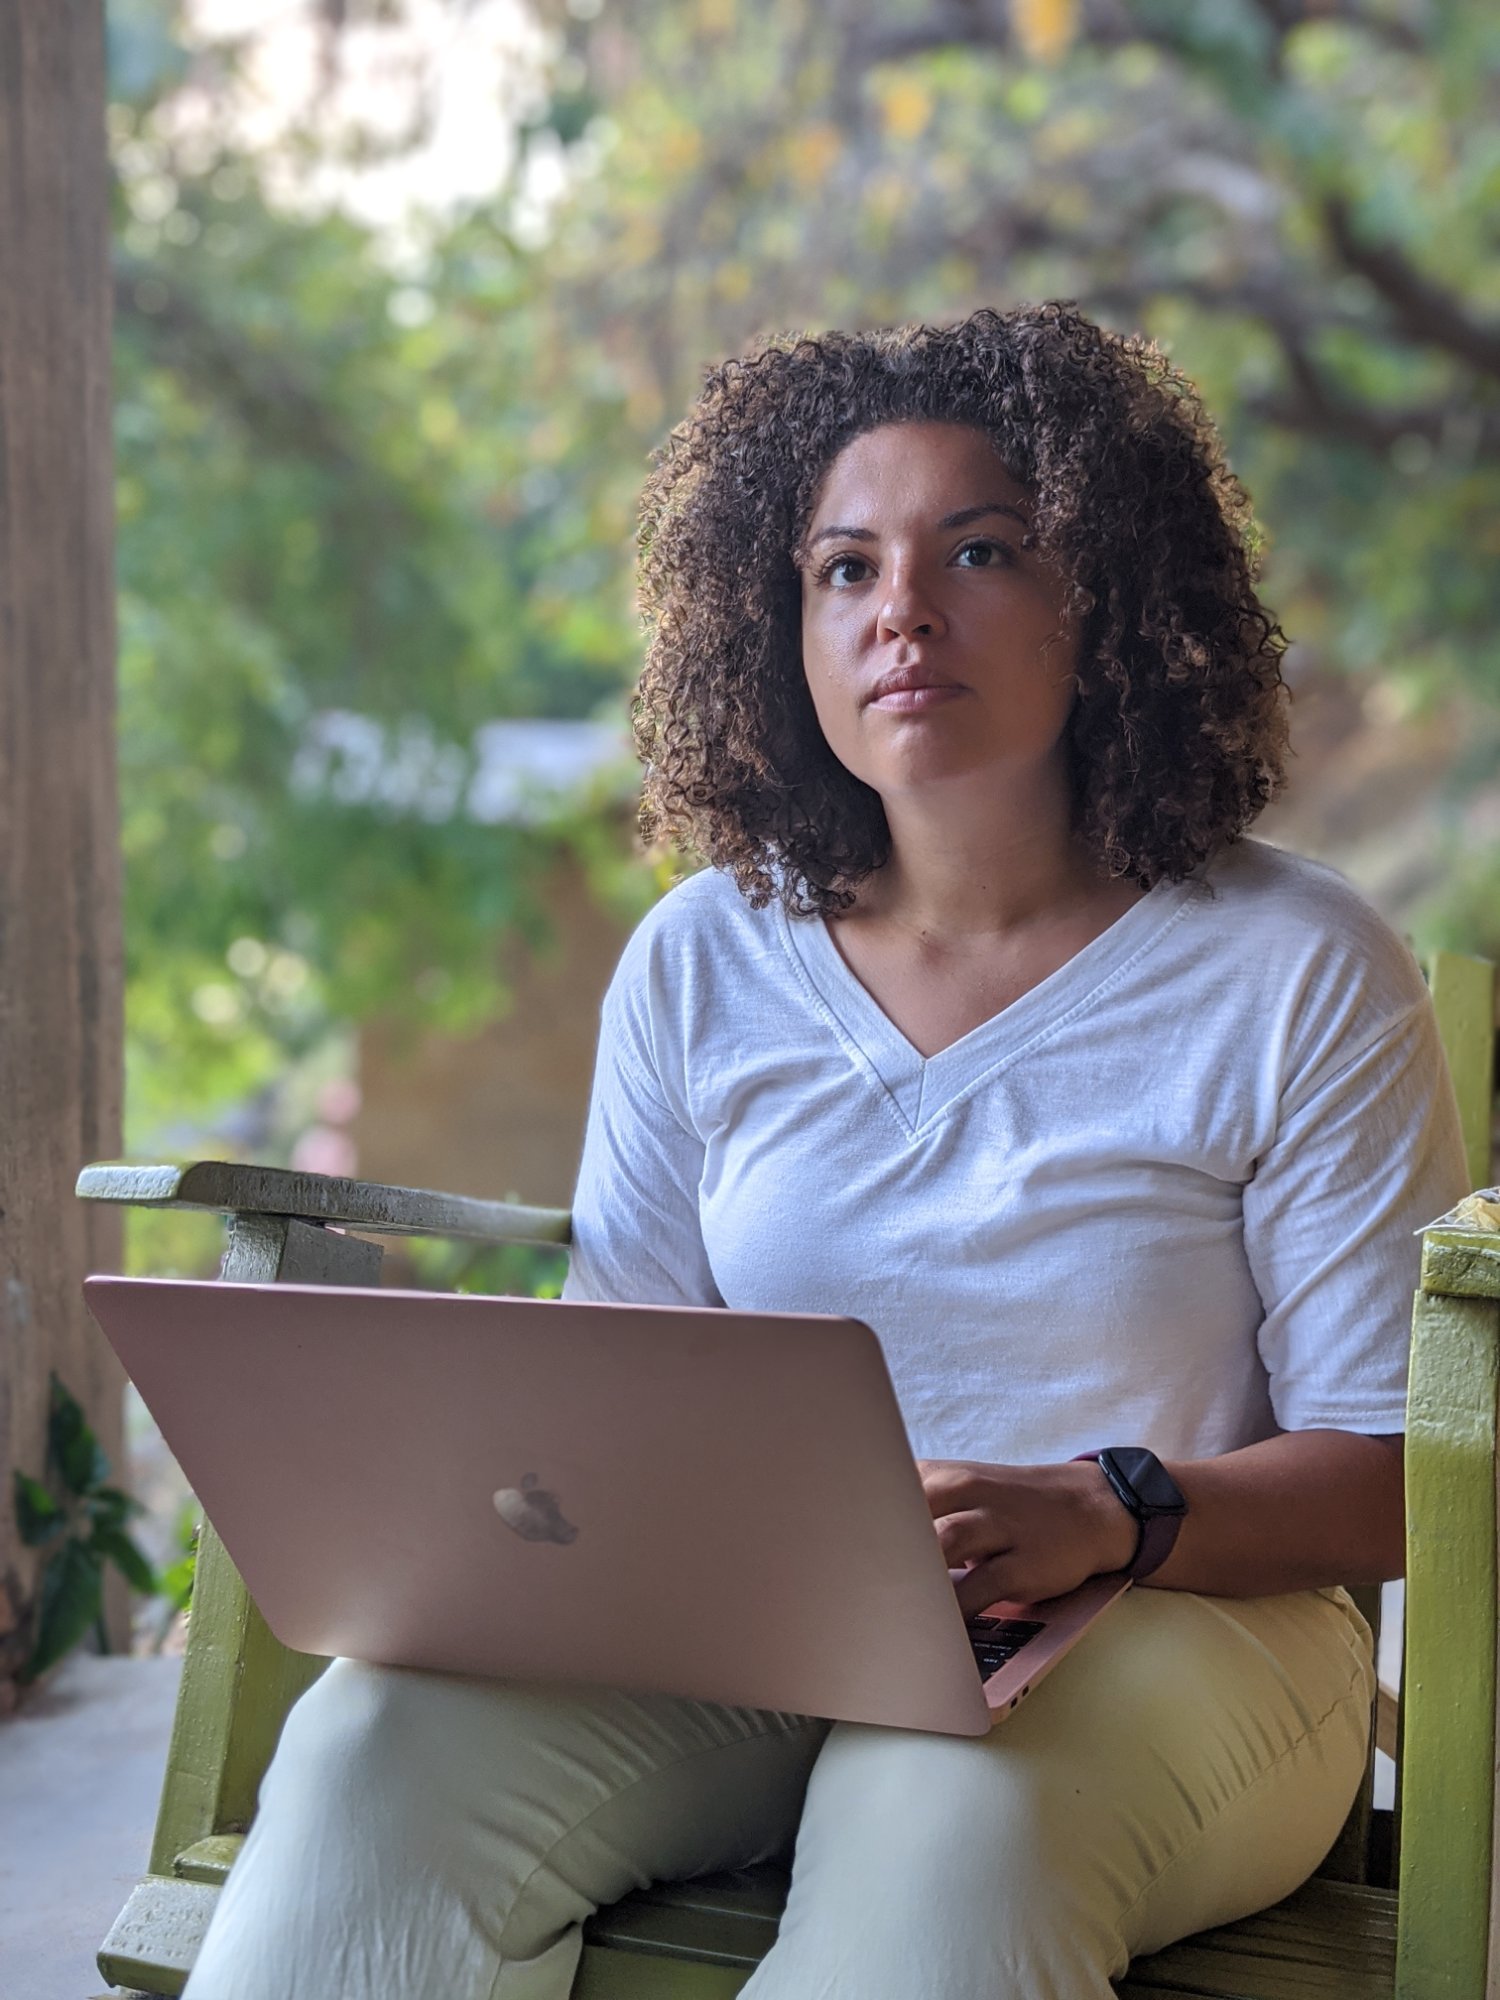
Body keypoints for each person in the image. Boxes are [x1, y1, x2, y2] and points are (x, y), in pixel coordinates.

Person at [183, 302, 1468, 2000]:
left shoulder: (1296, 968)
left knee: (944, 1819)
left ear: (1108, 592)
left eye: (980, 550)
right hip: (750, 1626)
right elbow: (622, 1387)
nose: (901, 611)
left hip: (1191, 1631)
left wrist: (1109, 1509)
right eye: (844, 569)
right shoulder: (700, 960)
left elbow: (1394, 1473)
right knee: (371, 1752)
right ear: (777, 625)